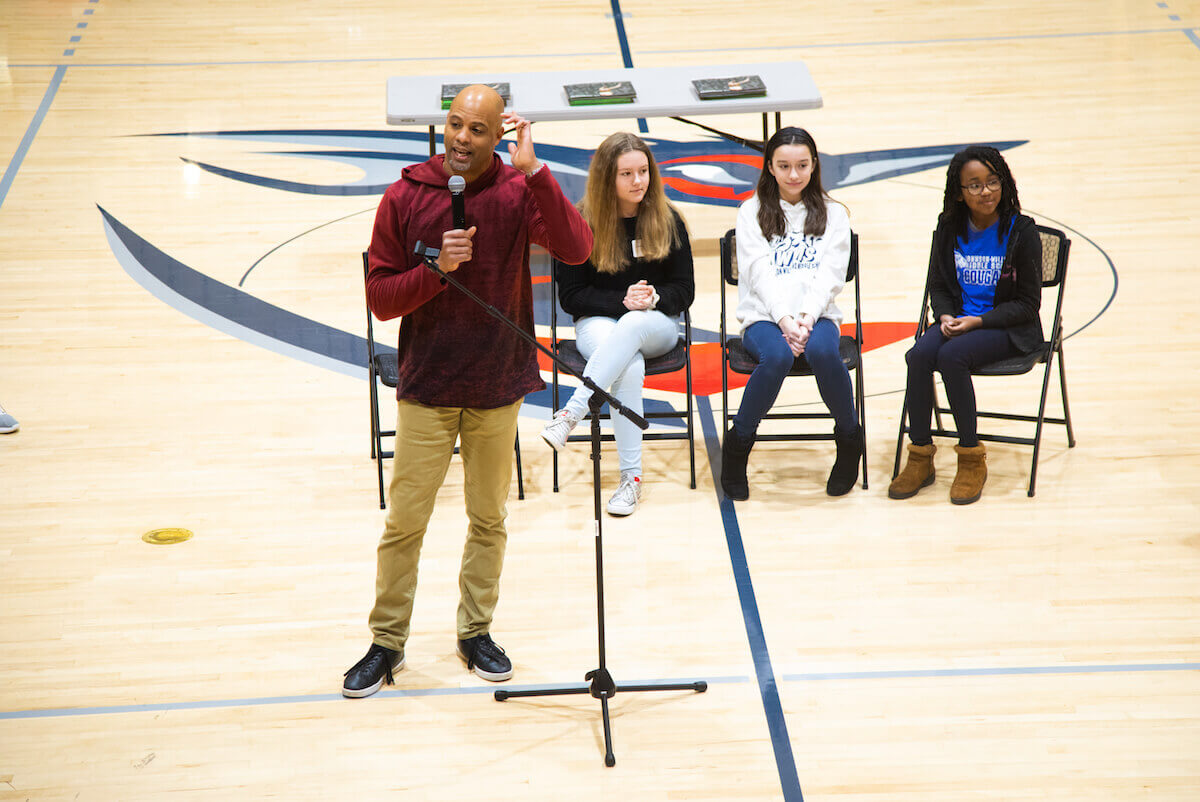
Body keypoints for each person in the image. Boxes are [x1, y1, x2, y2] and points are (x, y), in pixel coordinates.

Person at [342, 85, 593, 698]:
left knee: (489, 520)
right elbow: (379, 300)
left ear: (498, 136)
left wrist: (536, 173)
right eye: (455, 125)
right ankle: (386, 642)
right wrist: (434, 272)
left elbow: (578, 248)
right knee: (405, 524)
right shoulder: (404, 196)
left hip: (496, 382)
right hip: (428, 385)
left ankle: (474, 631)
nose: (461, 139)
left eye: (478, 130)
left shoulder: (514, 191)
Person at [539, 132, 695, 516]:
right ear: (607, 177)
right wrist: (620, 301)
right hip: (598, 323)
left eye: (643, 171)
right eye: (627, 173)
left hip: (655, 323)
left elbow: (685, 289)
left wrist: (654, 298)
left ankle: (571, 413)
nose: (638, 181)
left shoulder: (668, 218)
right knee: (630, 366)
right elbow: (571, 297)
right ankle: (631, 479)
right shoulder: (579, 222)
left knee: (633, 326)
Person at [889, 145, 1042, 505]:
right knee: (919, 356)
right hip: (957, 320)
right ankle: (920, 455)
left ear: (1004, 184)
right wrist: (944, 314)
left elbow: (1028, 304)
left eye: (992, 182)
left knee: (952, 357)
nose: (985, 191)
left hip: (1006, 327)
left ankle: (971, 457)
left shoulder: (1022, 232)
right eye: (974, 185)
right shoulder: (949, 227)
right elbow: (939, 286)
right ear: (959, 192)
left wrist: (978, 321)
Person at [719, 127, 862, 501]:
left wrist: (807, 318)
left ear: (814, 166)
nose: (794, 174)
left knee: (823, 351)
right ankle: (738, 445)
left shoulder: (834, 215)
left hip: (817, 317)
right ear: (769, 167)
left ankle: (849, 441)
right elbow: (758, 273)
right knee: (779, 354)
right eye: (784, 166)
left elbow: (830, 275)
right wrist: (785, 319)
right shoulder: (751, 212)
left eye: (802, 165)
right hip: (764, 318)